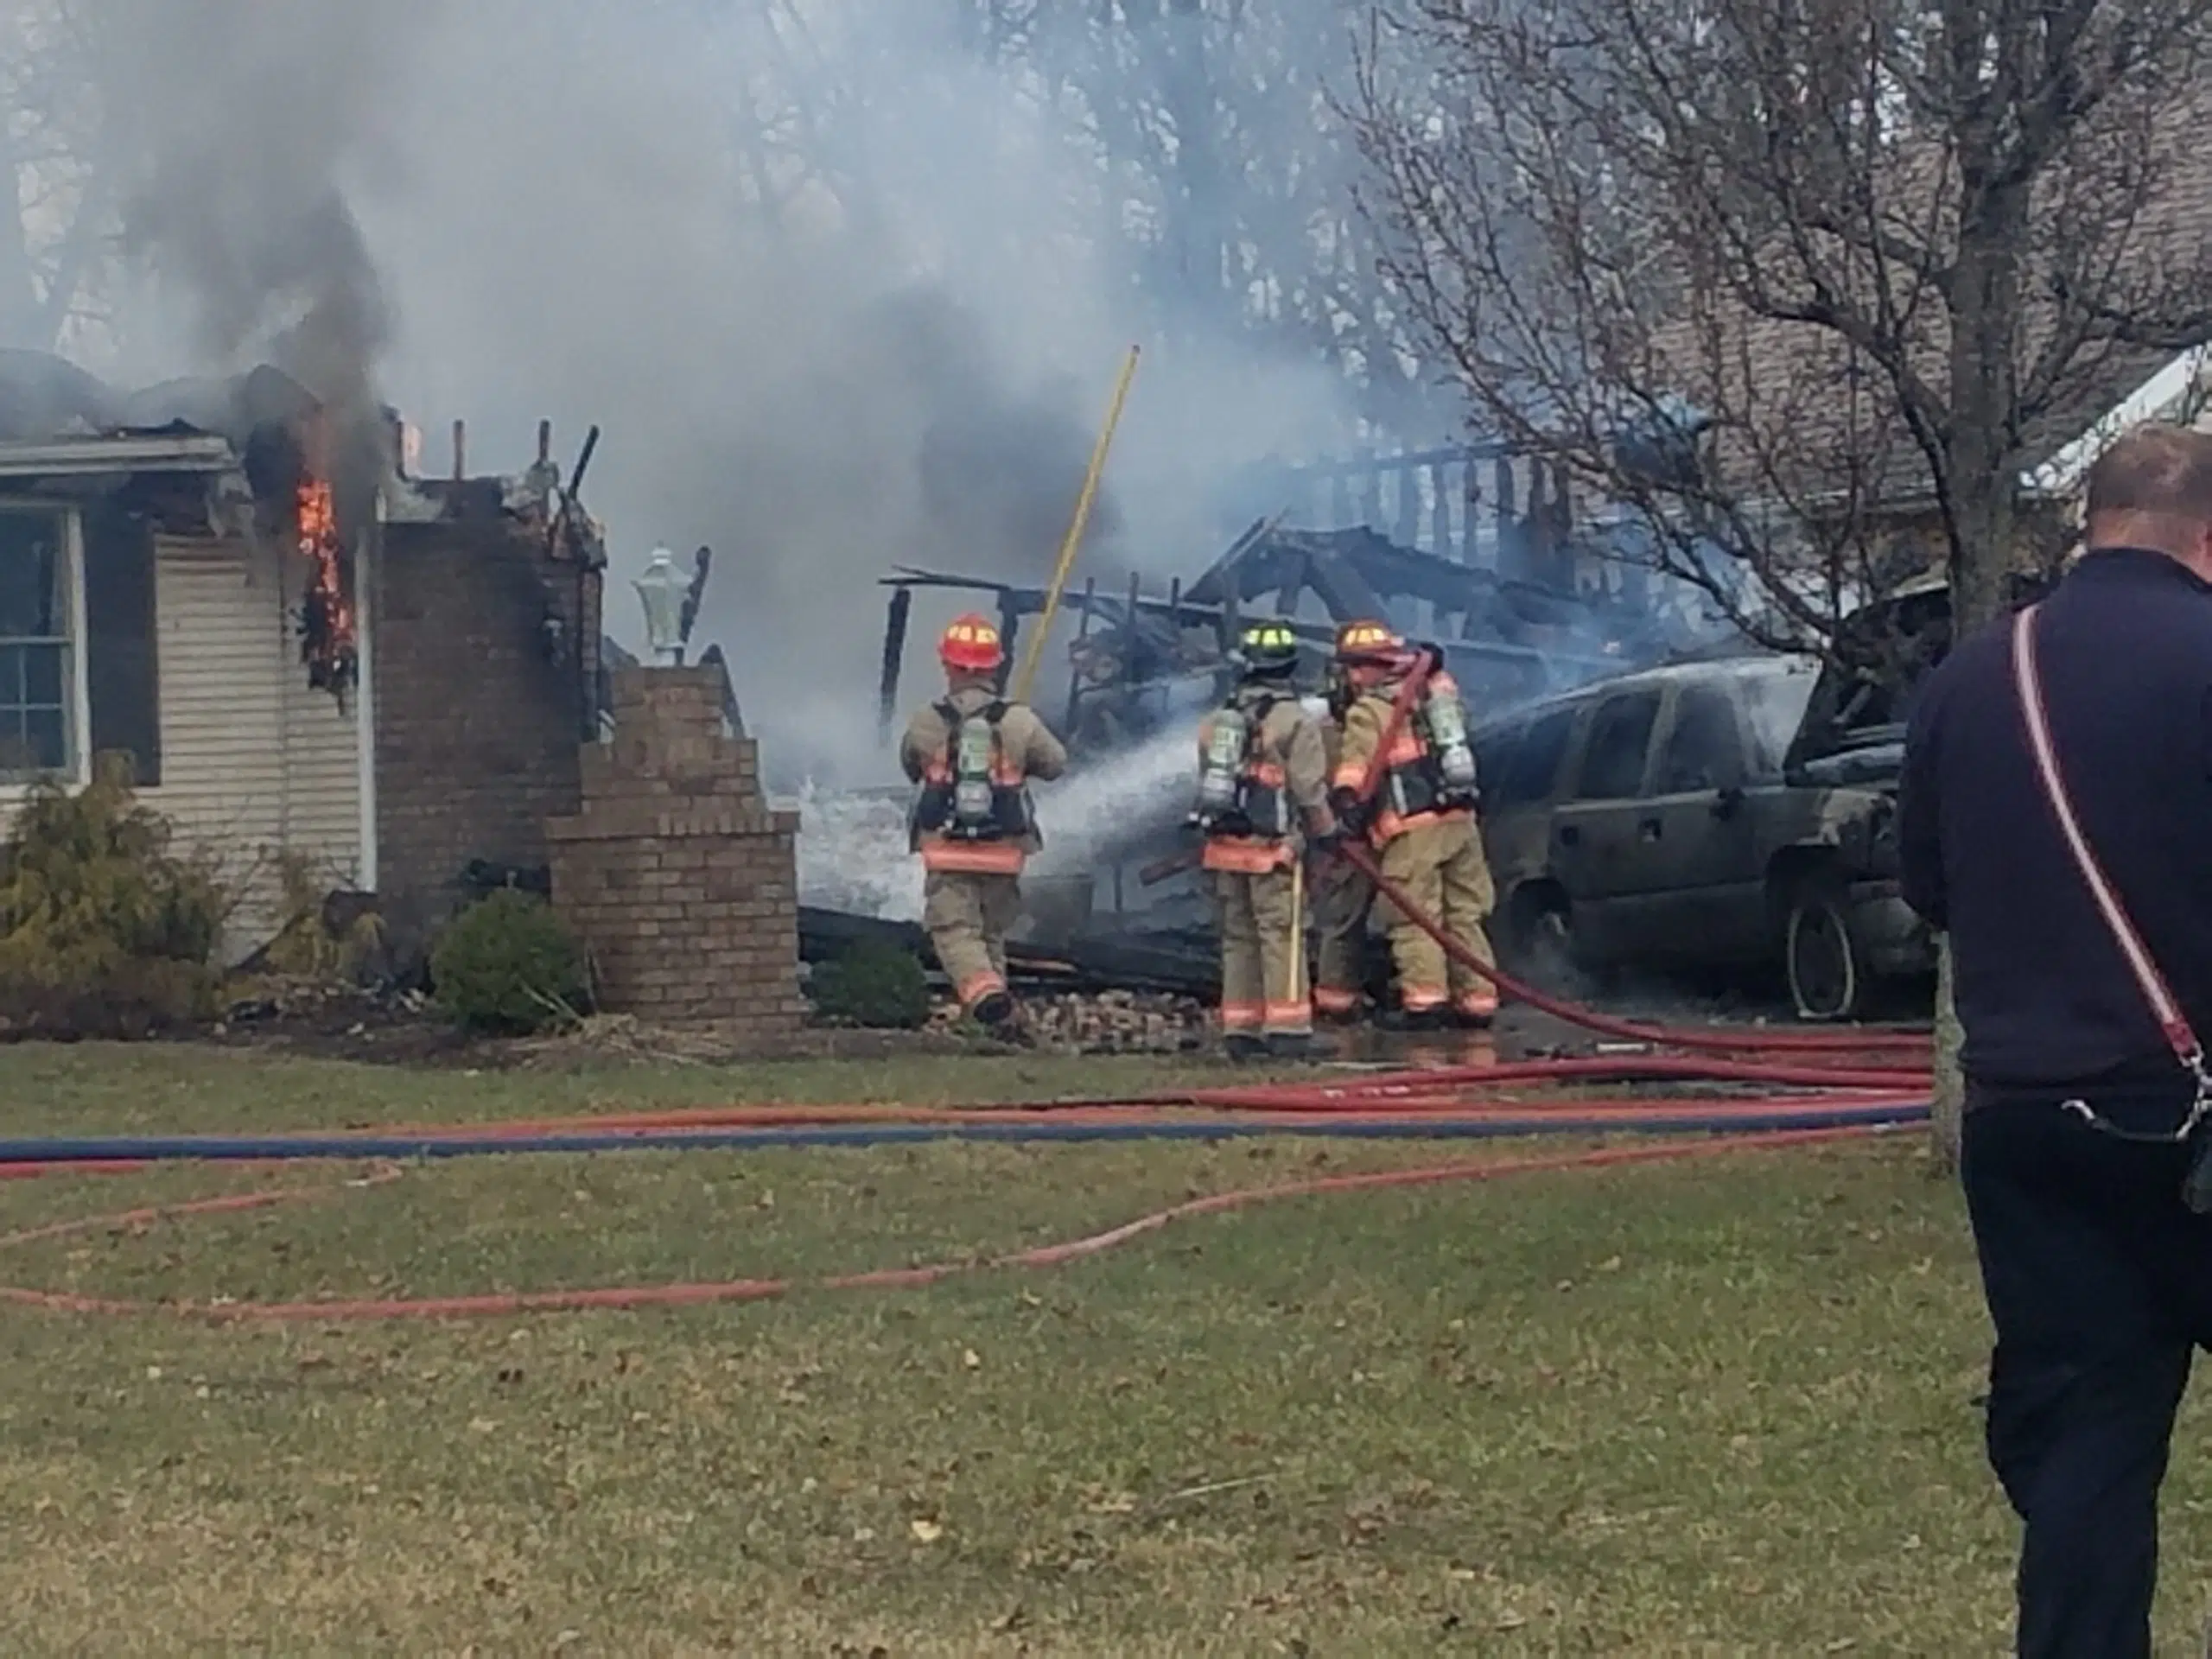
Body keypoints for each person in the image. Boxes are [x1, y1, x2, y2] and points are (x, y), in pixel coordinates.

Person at [1899, 422, 2212, 1658]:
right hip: (2186, 1113)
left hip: (2027, 1117)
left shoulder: (1975, 676)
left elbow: (1927, 887)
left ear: (2092, 523)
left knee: (2087, 1443)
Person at [902, 612, 1068, 1031]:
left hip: (947, 847)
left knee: (954, 930)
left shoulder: (926, 719)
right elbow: (1055, 765)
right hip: (1004, 850)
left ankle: (987, 998)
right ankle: (998, 1026)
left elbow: (910, 765)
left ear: (949, 666)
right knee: (991, 935)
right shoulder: (1019, 720)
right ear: (995, 666)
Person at [1331, 627, 1498, 1029]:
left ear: (1380, 666)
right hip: (1459, 822)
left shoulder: (1369, 711)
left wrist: (1346, 799)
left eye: (1359, 668)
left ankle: (1426, 1004)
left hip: (1412, 830)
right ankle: (1477, 1001)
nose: (1354, 678)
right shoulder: (1433, 692)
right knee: (1464, 914)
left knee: (1414, 918)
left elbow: (1357, 766)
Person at [1192, 619, 1338, 1059]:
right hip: (1273, 849)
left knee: (1238, 936)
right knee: (1282, 934)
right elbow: (1309, 790)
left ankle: (1241, 1029)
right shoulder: (1297, 721)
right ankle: (1288, 1031)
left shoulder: (1218, 721)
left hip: (1224, 848)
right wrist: (1327, 834)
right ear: (1290, 667)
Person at [1311, 620, 1385, 1023]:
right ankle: (1337, 1003)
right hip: (1352, 836)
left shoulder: (1398, 710)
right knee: (1343, 919)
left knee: (1416, 917)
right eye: (1353, 669)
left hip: (1395, 826)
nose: (1360, 678)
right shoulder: (1330, 730)